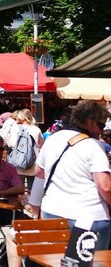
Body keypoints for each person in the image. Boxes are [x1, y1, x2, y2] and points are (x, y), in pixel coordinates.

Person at [35, 100, 111, 250]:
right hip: (89, 217)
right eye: (101, 125)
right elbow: (105, 187)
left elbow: (39, 172)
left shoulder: (53, 139)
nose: (101, 131)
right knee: (94, 262)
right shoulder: (93, 146)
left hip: (52, 212)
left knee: (57, 261)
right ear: (90, 122)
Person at [13, 108, 43, 189]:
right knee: (31, 191)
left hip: (18, 163)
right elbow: (41, 146)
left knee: (19, 190)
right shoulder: (36, 130)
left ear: (22, 118)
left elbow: (11, 143)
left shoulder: (15, 128)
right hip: (32, 165)